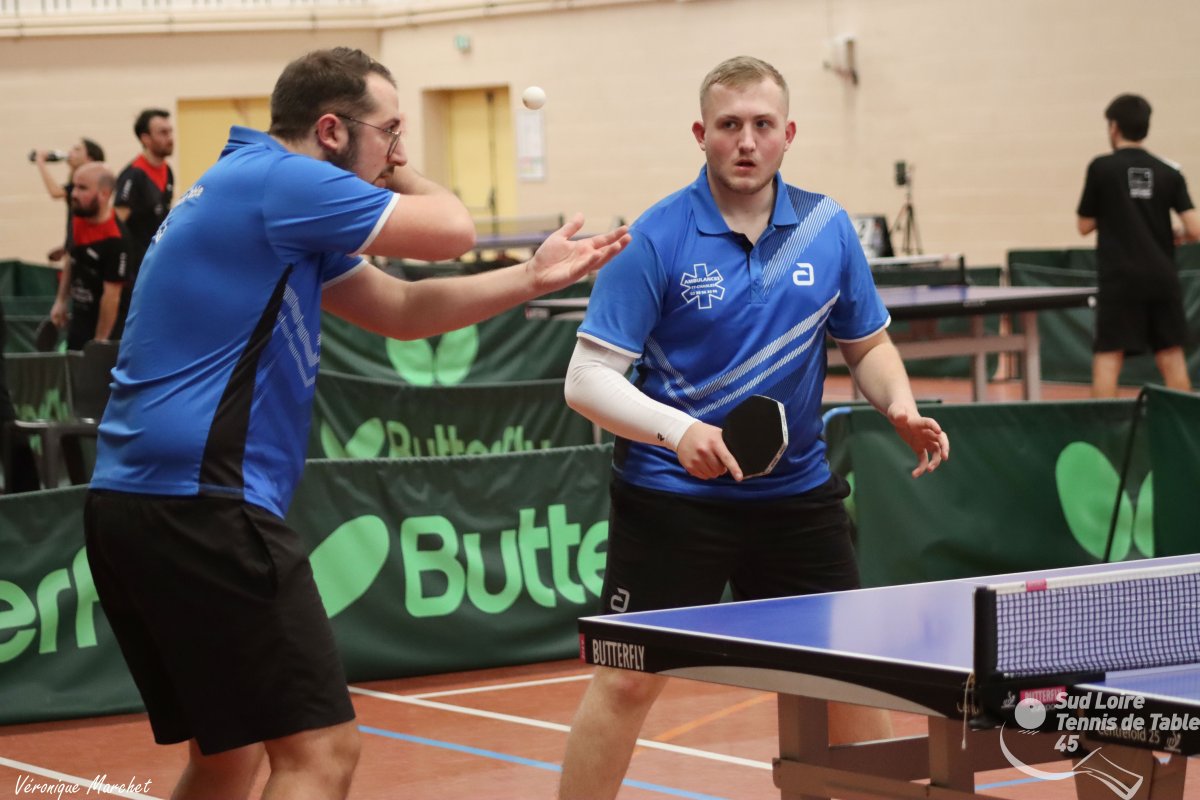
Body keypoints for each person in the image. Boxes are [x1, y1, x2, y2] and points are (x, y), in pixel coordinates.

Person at [83, 47, 628, 800]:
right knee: (323, 753)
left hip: (136, 504)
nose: (399, 150)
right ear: (332, 131)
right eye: (391, 130)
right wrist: (397, 168)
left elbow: (400, 310)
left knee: (228, 755)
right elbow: (452, 229)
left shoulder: (260, 195)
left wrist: (530, 277)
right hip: (205, 504)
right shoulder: (282, 181)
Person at [557, 56, 949, 800]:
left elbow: (867, 345)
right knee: (627, 681)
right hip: (673, 499)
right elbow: (587, 379)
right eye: (729, 125)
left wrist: (897, 403)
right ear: (700, 133)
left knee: (850, 677)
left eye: (763, 124)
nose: (746, 141)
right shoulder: (656, 237)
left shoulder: (828, 229)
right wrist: (677, 432)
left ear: (788, 134)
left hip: (795, 498)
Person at [1077, 93, 1200, 398]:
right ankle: (1184, 425)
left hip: (1120, 279)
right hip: (1162, 278)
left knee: (1109, 356)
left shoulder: (1101, 168)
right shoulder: (1169, 171)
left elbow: (1084, 225)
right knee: (1171, 356)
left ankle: (1104, 426)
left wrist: (1116, 212)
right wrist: (1174, 233)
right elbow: (1196, 229)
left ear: (1114, 127)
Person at [49, 162, 127, 350]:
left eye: (82, 188)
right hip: (79, 318)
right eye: (74, 186)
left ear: (104, 194)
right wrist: (61, 301)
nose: (74, 194)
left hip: (106, 327)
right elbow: (71, 259)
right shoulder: (78, 219)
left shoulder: (116, 239)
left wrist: (99, 343)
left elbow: (111, 298)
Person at [112, 107, 175, 338]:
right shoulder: (133, 175)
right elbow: (115, 226)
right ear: (145, 139)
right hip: (134, 275)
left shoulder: (167, 171)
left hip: (156, 267)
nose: (170, 137)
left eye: (170, 131)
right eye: (163, 133)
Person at [32, 138, 106, 261]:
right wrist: (66, 246)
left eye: (77, 150)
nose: (71, 152)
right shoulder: (77, 185)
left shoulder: (89, 186)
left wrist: (41, 162)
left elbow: (55, 192)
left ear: (89, 159)